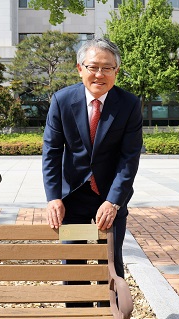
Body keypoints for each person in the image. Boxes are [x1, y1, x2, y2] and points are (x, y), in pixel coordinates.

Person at [42, 38, 143, 279]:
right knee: (73, 265)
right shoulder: (62, 101)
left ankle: (109, 315)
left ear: (116, 71)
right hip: (72, 199)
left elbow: (129, 157)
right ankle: (78, 314)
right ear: (80, 69)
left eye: (107, 68)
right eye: (93, 67)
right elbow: (52, 152)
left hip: (110, 198)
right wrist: (53, 197)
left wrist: (114, 202)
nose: (100, 74)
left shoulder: (129, 104)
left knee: (109, 263)